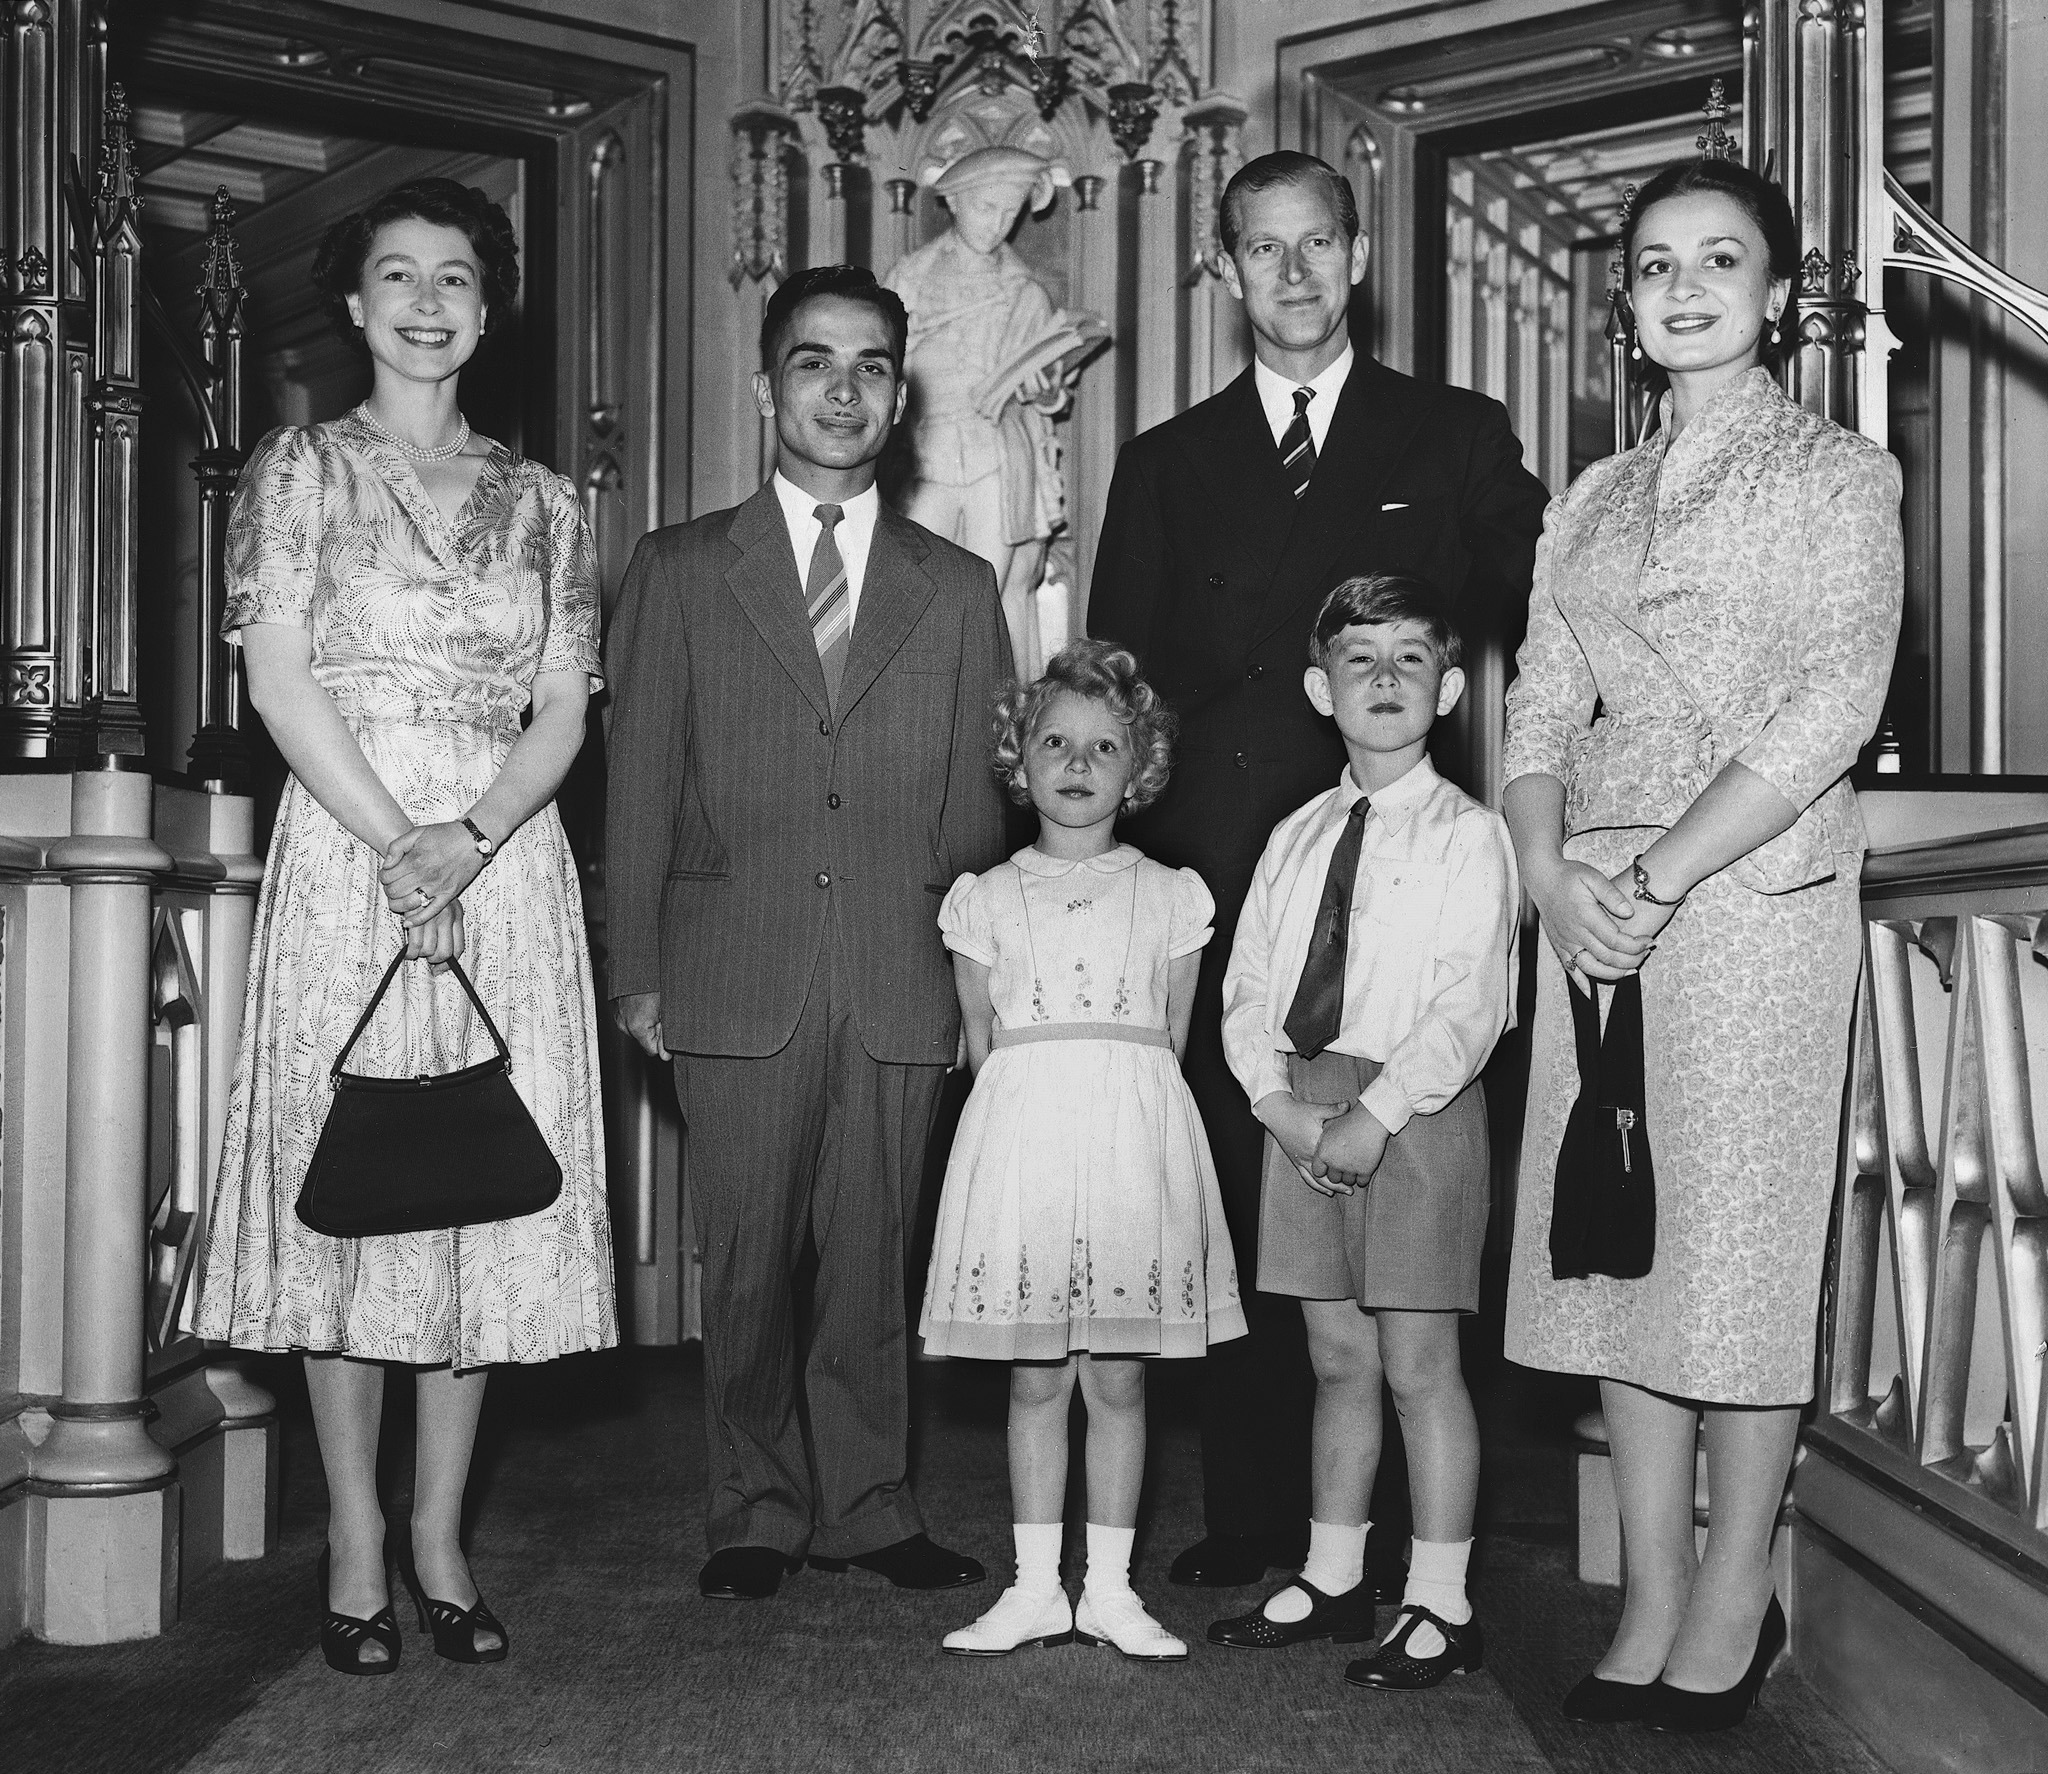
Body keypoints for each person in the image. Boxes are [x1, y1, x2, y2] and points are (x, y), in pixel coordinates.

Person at [1089, 150, 1549, 1592]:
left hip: (1414, 878)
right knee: (1245, 1194)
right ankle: (1257, 1512)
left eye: (1315, 246)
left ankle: (1421, 1543)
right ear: (1224, 271)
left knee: (1410, 1227)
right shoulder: (1167, 459)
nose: (1290, 274)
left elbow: (1552, 629)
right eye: (1259, 249)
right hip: (1237, 872)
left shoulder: (1454, 434)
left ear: (1357, 259)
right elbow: (1123, 685)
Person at [1499, 154, 1903, 1733]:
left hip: (1747, 897)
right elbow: (1539, 693)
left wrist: (1659, 871)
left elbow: (1834, 702)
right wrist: (1545, 869)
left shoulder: (1832, 472)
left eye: (1718, 260)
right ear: (1627, 298)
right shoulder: (1590, 494)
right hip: (1592, 904)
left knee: (1733, 1249)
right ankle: (1649, 1587)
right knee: (1622, 1244)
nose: (1683, 287)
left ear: (1776, 294)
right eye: (1655, 262)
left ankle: (1739, 1583)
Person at [194, 178, 617, 1676]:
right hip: (350, 856)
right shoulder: (298, 470)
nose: (429, 301)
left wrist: (475, 836)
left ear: (487, 311)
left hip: (503, 861)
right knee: (355, 1185)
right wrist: (400, 845)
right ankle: (357, 1539)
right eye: (398, 276)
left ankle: (441, 1530)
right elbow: (279, 680)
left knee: (479, 1189)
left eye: (456, 277)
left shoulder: (553, 504)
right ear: (357, 305)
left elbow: (562, 706)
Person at [604, 264, 1011, 1603]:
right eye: (816, 362)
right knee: (751, 1252)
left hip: (900, 969)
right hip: (733, 968)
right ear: (768, 383)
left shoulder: (955, 586)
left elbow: (975, 807)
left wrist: (977, 980)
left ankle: (873, 1504)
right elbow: (640, 782)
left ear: (901, 396)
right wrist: (641, 974)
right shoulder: (676, 569)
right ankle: (755, 1506)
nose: (845, 389)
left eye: (872, 366)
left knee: (873, 1251)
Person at [1213, 576, 1518, 1691]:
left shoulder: (1469, 835)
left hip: (1417, 1109)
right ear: (1316, 688)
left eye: (1407, 660)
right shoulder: (1293, 837)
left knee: (1416, 1364)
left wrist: (1376, 1116)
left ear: (1444, 690)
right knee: (1334, 1357)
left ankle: (1440, 1599)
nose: (1383, 678)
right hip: (1300, 1103)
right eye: (1359, 660)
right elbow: (1245, 990)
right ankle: (1333, 1573)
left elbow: (1469, 1003)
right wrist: (1279, 1105)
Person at [922, 640, 1246, 1663]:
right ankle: (1031, 1588)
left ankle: (1106, 1587)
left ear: (1138, 766)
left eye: (1103, 745)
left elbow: (1169, 1044)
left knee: (1116, 1377)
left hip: (1125, 1150)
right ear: (1017, 756)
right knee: (1031, 1377)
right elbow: (982, 1048)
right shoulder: (980, 898)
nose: (1076, 761)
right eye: (1053, 740)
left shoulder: (1172, 895)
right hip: (1022, 1145)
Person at [884, 145, 1099, 678]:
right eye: (987, 209)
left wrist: (1044, 385)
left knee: (991, 589)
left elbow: (1052, 399)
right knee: (912, 584)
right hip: (922, 454)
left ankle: (991, 726)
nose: (998, 225)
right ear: (954, 203)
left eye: (1010, 213)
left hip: (995, 459)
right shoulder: (909, 278)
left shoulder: (1024, 291)